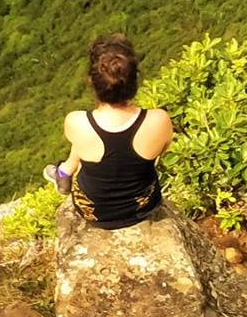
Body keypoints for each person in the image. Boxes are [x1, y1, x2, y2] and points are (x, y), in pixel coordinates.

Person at [46, 34, 173, 229]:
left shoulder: (75, 121)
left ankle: (64, 172)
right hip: (144, 207)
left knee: (85, 137)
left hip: (94, 212)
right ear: (134, 82)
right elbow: (161, 152)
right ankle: (64, 172)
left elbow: (84, 143)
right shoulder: (159, 120)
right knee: (88, 137)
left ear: (92, 82)